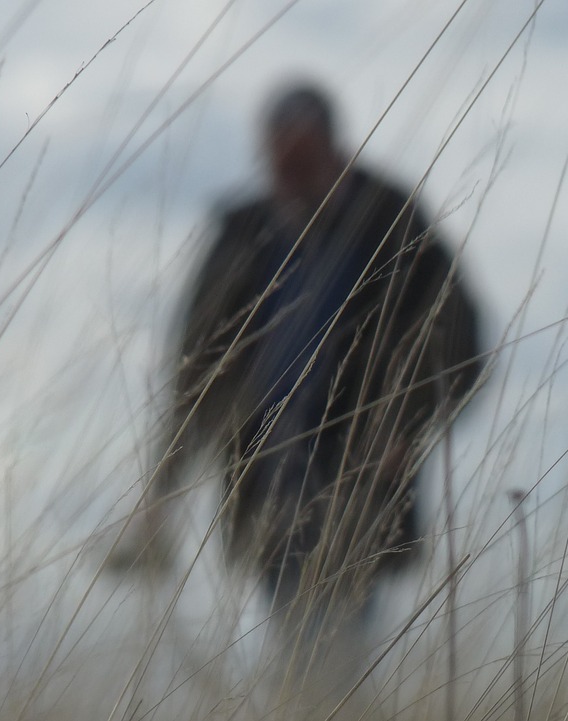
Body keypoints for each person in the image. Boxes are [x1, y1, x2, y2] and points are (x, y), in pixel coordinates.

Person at [114, 82, 484, 624]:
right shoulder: (241, 236)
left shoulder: (392, 223)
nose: (290, 175)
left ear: (335, 150)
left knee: (334, 641)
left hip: (357, 470)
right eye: (278, 160)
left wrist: (402, 426)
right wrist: (161, 497)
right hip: (264, 467)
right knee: (293, 632)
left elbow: (459, 342)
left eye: (304, 159)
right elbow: (196, 372)